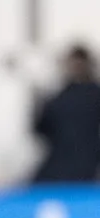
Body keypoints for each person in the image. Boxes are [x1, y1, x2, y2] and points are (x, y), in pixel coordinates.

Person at [32, 44, 100, 184]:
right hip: (68, 171)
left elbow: (40, 128)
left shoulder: (60, 97)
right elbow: (41, 128)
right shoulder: (59, 96)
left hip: (73, 173)